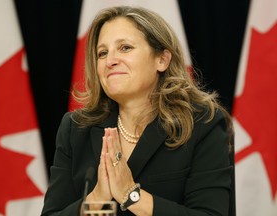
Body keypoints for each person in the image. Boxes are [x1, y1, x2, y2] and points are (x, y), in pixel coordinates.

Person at [41, 5, 234, 216]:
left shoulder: (201, 123)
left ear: (162, 60)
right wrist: (97, 199)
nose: (110, 61)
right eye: (102, 53)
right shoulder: (76, 128)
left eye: (125, 48)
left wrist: (131, 195)